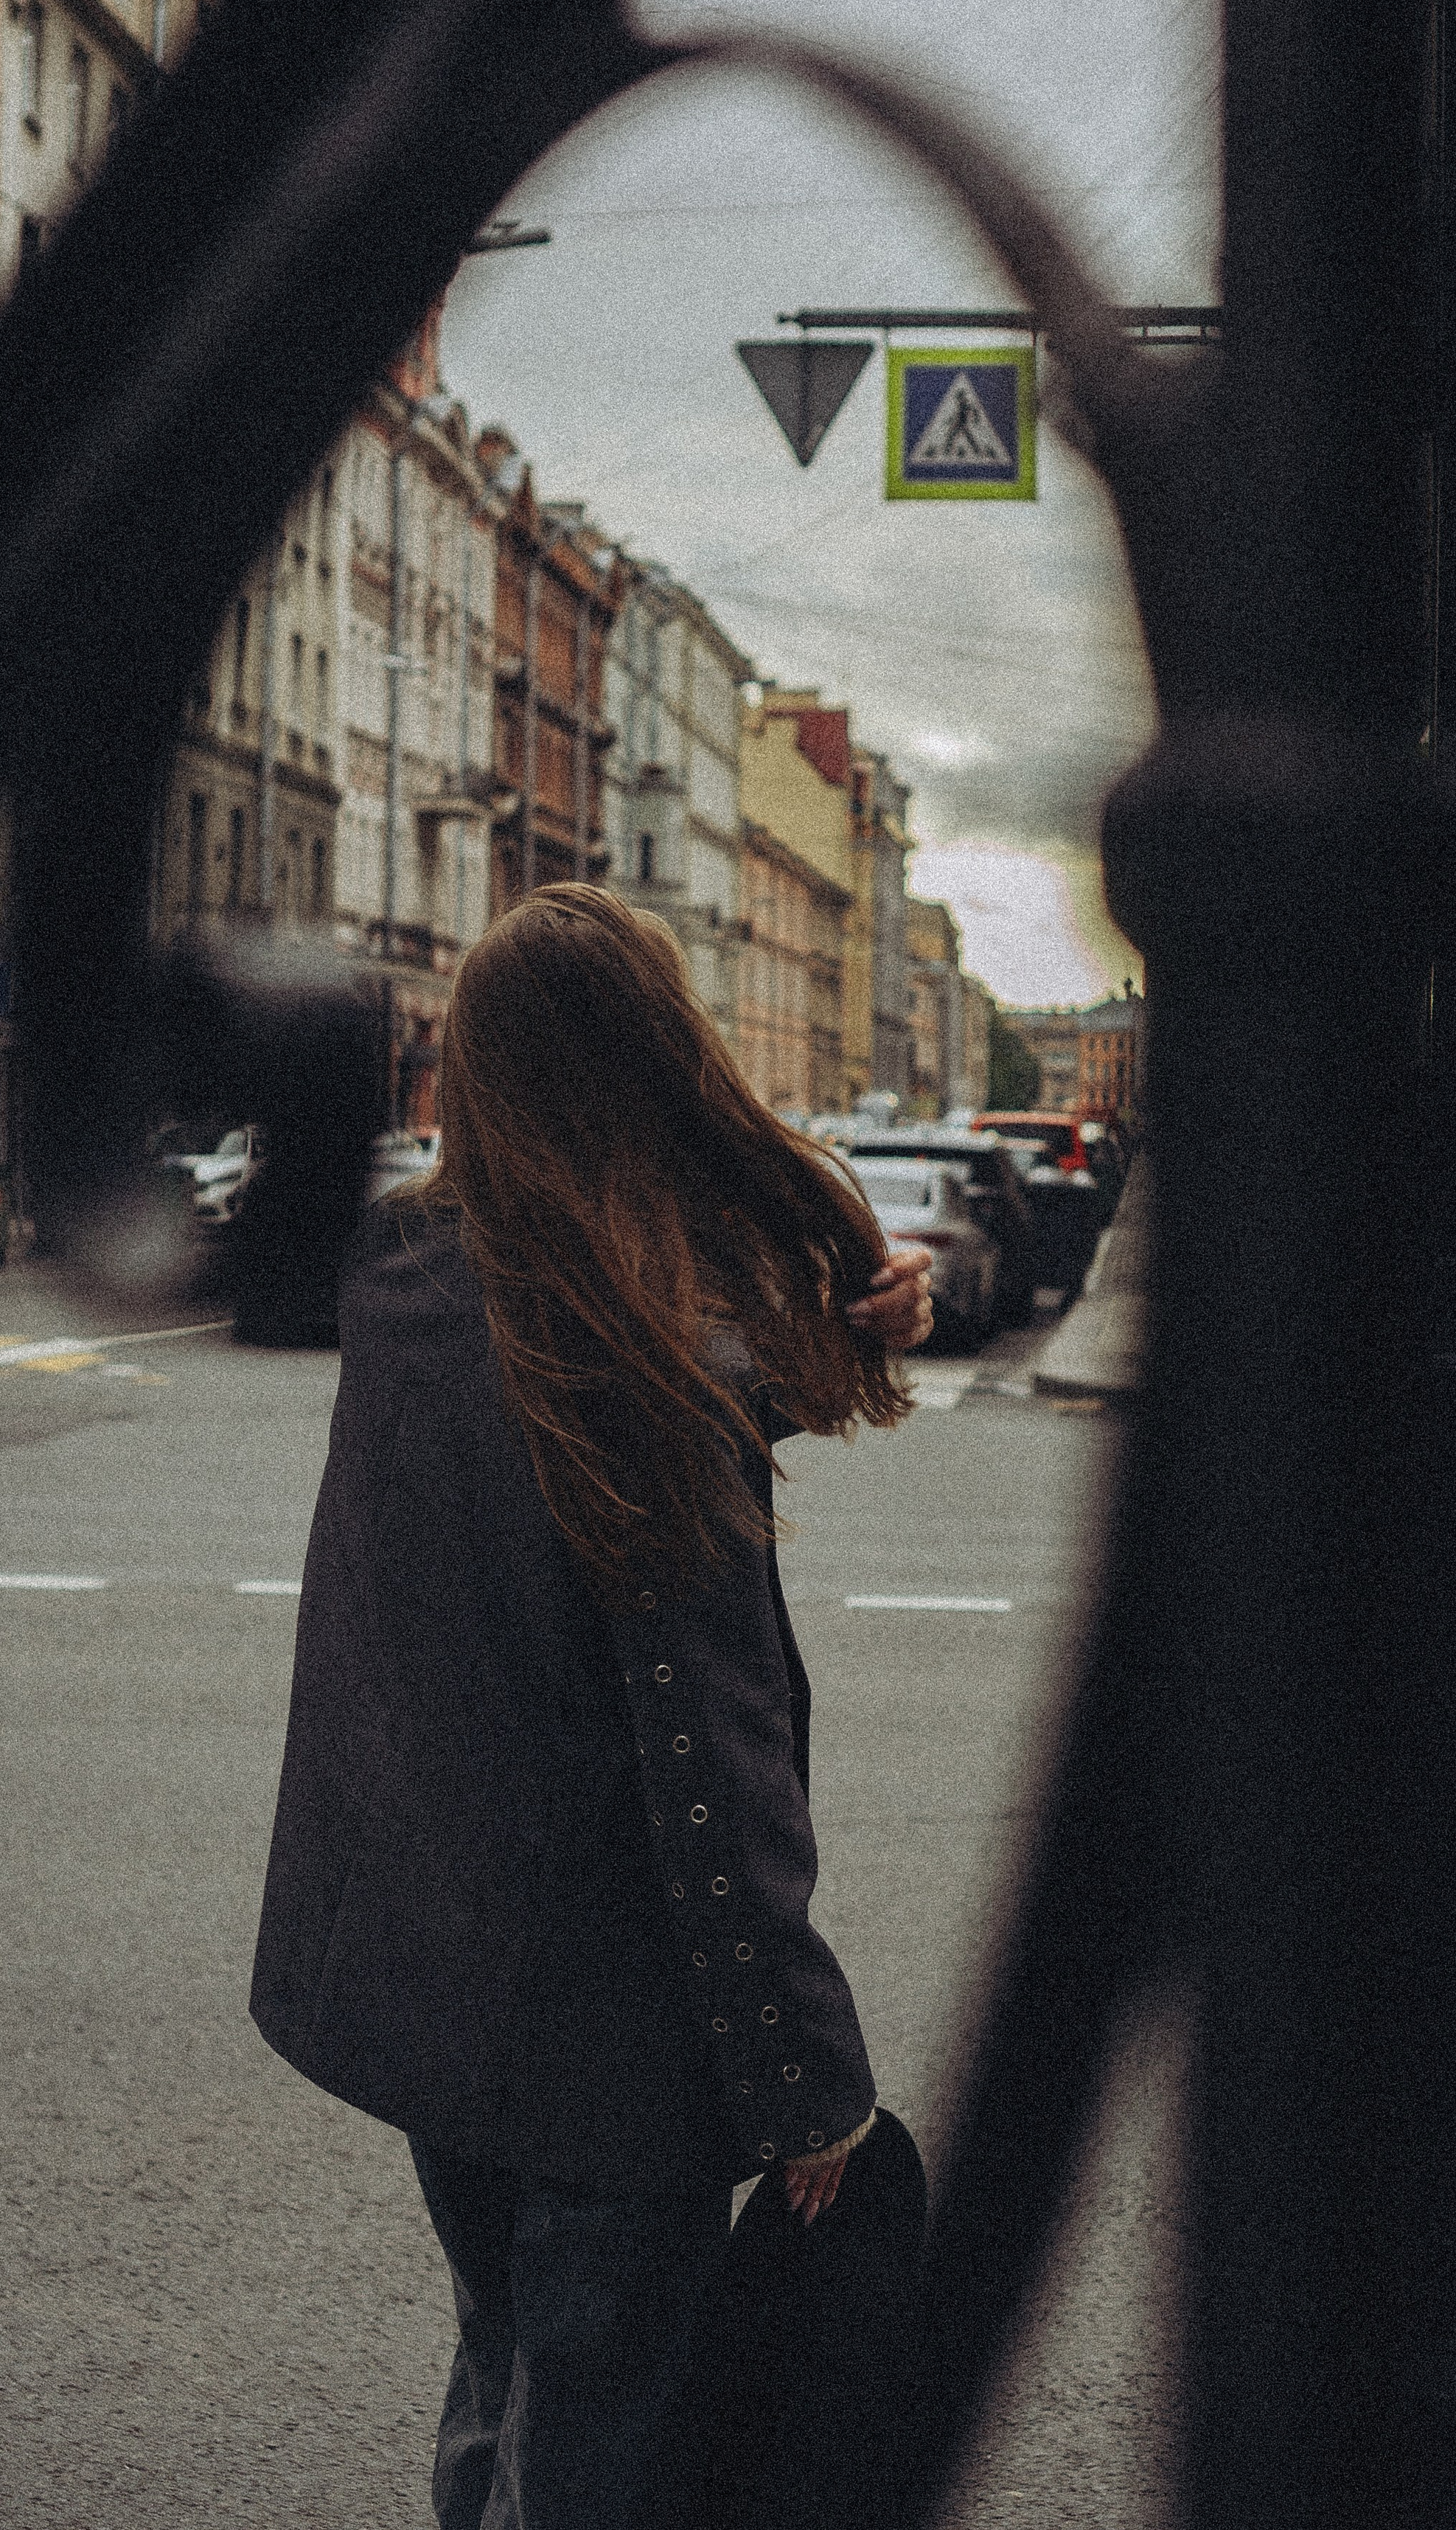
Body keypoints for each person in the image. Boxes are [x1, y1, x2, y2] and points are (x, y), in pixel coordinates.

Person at [250, 886, 933, 2530]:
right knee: (599, 2446)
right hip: (608, 2045)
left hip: (433, 1996)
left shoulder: (401, 1277)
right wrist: (808, 2085)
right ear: (660, 1066)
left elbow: (584, 1402)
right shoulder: (637, 1378)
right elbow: (709, 1774)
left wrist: (821, 1323)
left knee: (506, 2360)